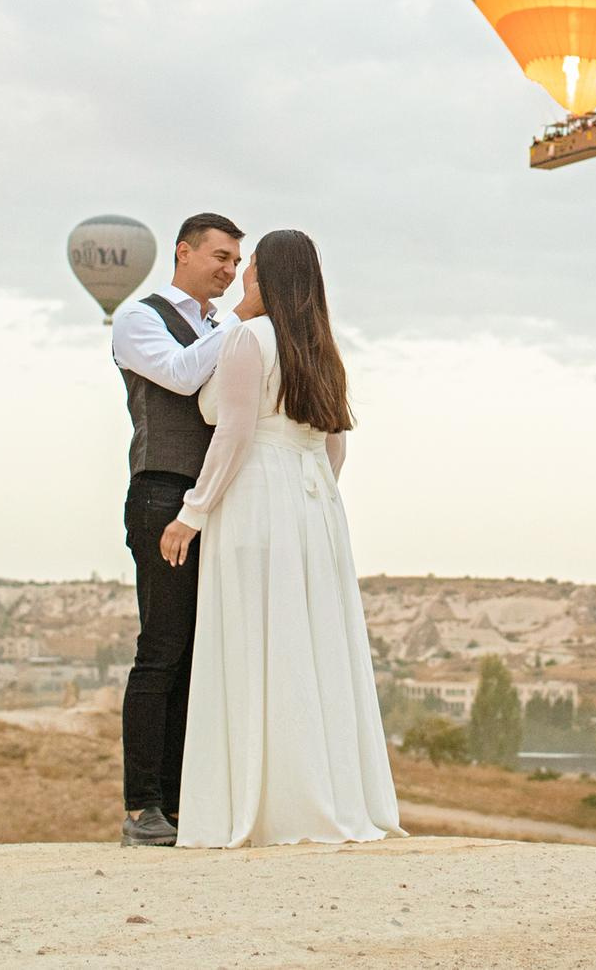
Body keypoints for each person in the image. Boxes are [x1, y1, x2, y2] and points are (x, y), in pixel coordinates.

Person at [159, 229, 400, 847]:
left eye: (251, 267)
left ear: (267, 277)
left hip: (256, 500)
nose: (242, 276)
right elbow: (334, 442)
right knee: (308, 643)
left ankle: (261, 803)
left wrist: (194, 510)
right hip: (314, 504)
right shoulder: (320, 346)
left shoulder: (248, 338)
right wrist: (312, 496)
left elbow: (234, 434)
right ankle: (324, 794)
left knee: (254, 638)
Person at [111, 211, 243, 848]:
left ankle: (184, 801)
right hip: (162, 493)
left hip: (211, 499)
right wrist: (246, 320)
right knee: (161, 649)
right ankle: (143, 807)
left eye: (238, 263)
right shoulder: (138, 319)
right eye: (221, 257)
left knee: (198, 655)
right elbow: (186, 377)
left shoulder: (218, 328)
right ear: (184, 253)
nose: (230, 271)